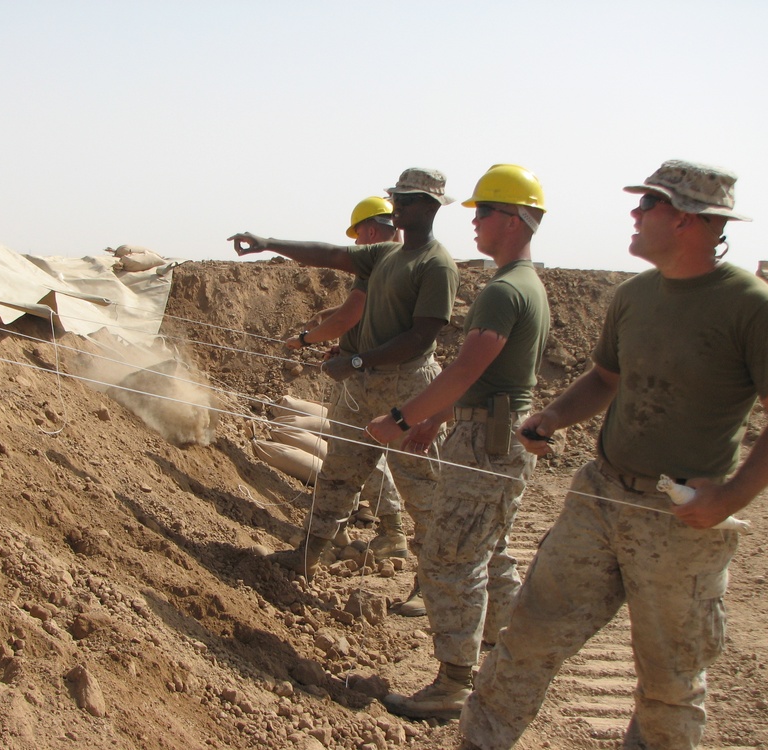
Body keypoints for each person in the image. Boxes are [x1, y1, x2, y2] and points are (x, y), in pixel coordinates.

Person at [458, 159, 768, 750]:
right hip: (600, 495)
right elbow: (604, 378)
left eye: (648, 204)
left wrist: (727, 498)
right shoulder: (634, 296)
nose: (634, 213)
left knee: (670, 678)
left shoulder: (749, 304)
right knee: (530, 634)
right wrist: (553, 415)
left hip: (679, 518)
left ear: (687, 220)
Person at [366, 164, 550, 719]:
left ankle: (454, 683)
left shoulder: (503, 292)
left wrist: (400, 417)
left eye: (485, 211)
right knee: (488, 550)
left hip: (487, 437)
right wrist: (434, 418)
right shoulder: (525, 285)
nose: (474, 221)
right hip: (493, 428)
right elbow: (485, 377)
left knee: (449, 557)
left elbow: (467, 367)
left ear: (514, 220)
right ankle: (500, 657)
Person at [229, 167, 460, 583]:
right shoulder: (386, 256)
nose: (397, 208)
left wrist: (356, 362)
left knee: (423, 489)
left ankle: (431, 586)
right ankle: (307, 555)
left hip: (408, 389)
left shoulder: (436, 265)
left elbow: (421, 336)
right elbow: (331, 254)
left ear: (429, 207)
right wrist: (268, 244)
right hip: (364, 387)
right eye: (396, 199)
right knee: (339, 473)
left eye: (405, 201)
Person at [286, 196, 413, 569]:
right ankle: (380, 533)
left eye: (359, 237)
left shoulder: (381, 264)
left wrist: (307, 340)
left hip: (375, 381)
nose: (357, 245)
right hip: (380, 375)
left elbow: (349, 317)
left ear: (371, 231)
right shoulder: (406, 262)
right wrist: (345, 348)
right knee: (363, 459)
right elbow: (367, 320)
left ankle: (388, 534)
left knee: (356, 456)